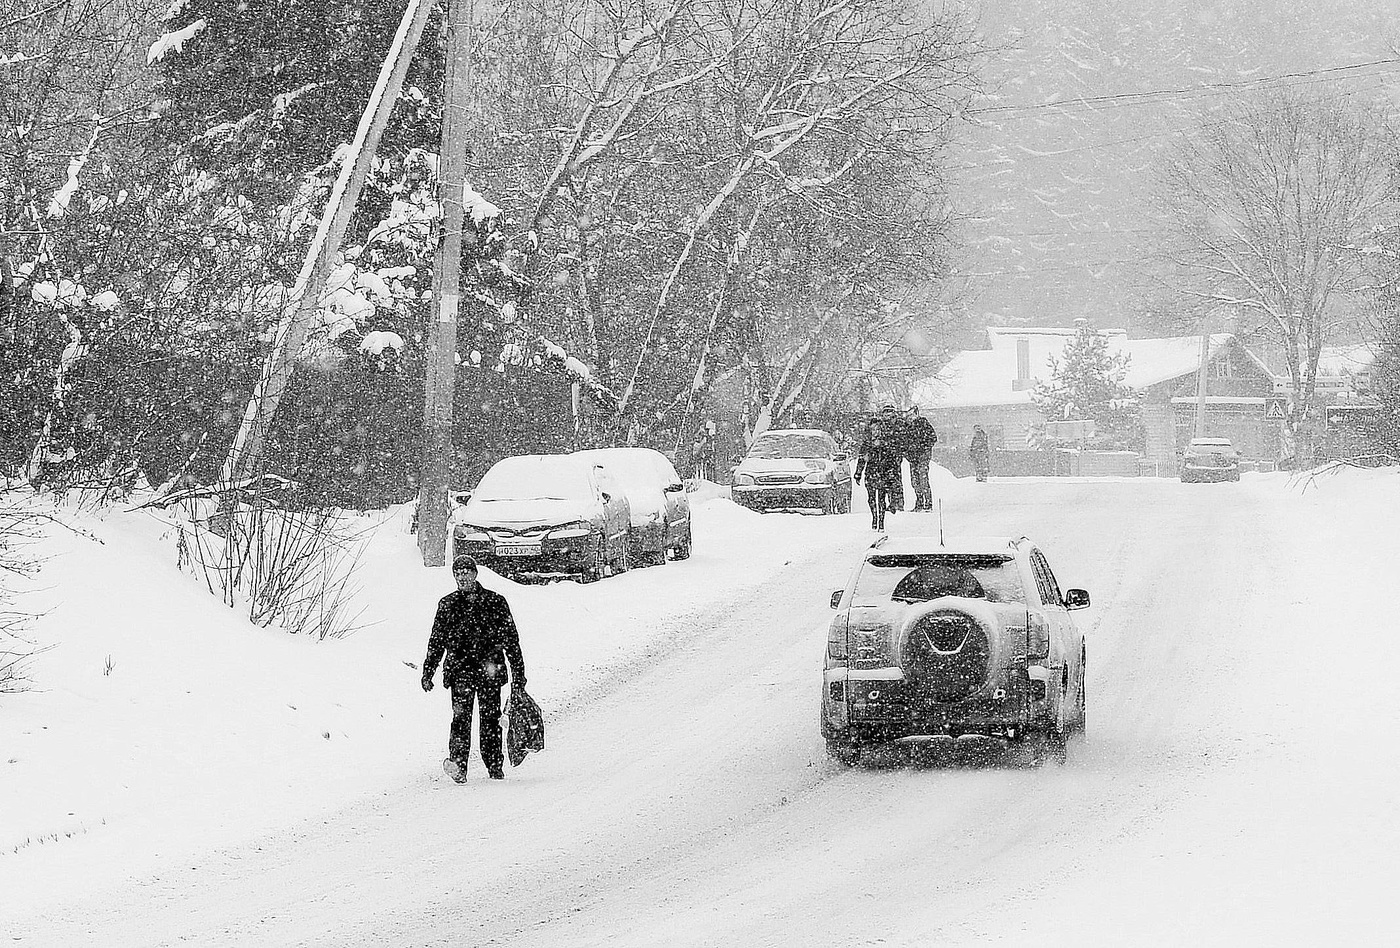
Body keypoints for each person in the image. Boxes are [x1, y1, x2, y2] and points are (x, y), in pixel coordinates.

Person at [422, 554, 527, 782]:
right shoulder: (447, 604)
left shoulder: (494, 602)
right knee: (460, 720)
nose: (462, 577)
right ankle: (458, 766)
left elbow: (511, 640)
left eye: (465, 572)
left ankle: (494, 766)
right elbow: (437, 640)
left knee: (490, 721)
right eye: (457, 573)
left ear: (475, 573)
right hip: (460, 673)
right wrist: (428, 670)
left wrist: (519, 674)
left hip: (489, 671)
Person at [854, 412, 902, 530]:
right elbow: (862, 459)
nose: (876, 431)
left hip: (883, 473)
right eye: (873, 429)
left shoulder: (886, 443)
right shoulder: (867, 444)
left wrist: (892, 472)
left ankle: (881, 521)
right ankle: (874, 517)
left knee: (881, 498)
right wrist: (858, 473)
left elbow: (893, 459)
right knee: (871, 498)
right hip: (871, 473)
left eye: (878, 429)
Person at [905, 408, 938, 510]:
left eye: (911, 415)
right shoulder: (907, 427)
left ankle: (928, 503)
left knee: (923, 478)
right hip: (913, 458)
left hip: (922, 456)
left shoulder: (923, 423)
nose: (909, 418)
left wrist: (924, 448)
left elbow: (933, 438)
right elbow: (904, 442)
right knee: (915, 481)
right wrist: (908, 453)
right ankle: (919, 501)